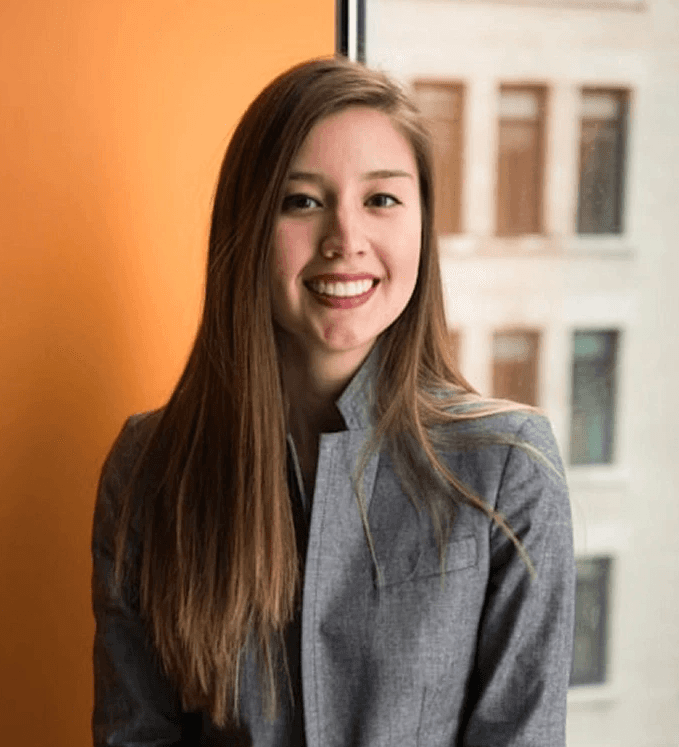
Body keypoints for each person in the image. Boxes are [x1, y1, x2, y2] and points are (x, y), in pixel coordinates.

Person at [91, 56, 575, 747]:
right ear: (248, 228)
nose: (345, 239)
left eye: (381, 199)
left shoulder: (510, 468)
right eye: (302, 201)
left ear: (420, 225)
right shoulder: (149, 470)